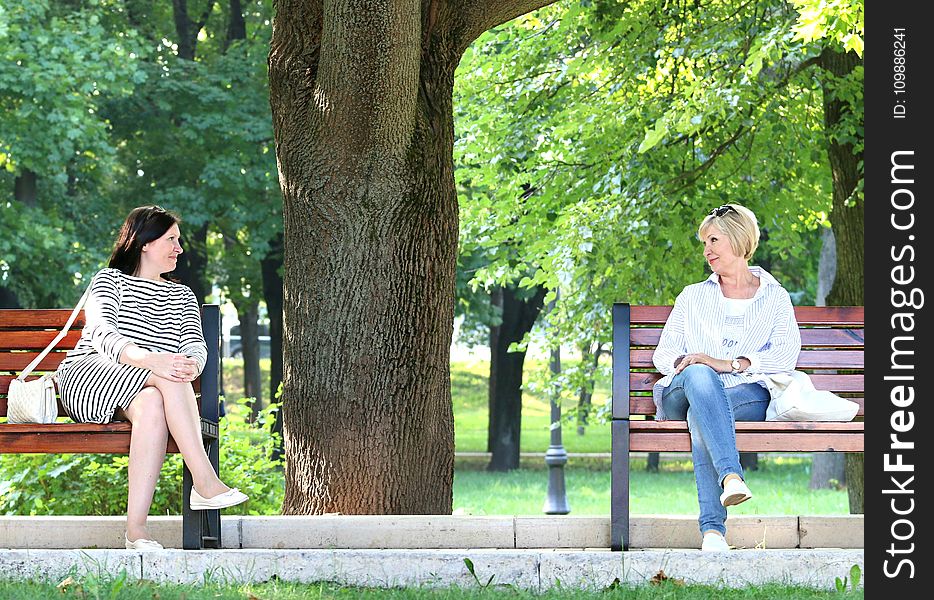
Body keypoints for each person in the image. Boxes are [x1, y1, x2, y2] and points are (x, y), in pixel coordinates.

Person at [56, 206, 247, 550]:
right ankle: (204, 482)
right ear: (145, 242)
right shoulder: (109, 280)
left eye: (179, 240)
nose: (179, 248)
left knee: (157, 399)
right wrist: (153, 361)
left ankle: (136, 531)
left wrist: (191, 365)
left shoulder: (182, 295)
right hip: (90, 374)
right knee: (167, 377)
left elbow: (194, 345)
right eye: (171, 239)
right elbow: (102, 334)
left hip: (147, 386)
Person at [651, 203, 800, 552]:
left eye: (713, 240)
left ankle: (713, 533)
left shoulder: (775, 298)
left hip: (745, 393)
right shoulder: (693, 296)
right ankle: (731, 476)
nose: (707, 251)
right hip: (683, 390)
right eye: (705, 243)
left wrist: (728, 364)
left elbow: (785, 355)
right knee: (701, 380)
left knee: (702, 412)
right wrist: (695, 364)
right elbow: (663, 353)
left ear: (738, 240)